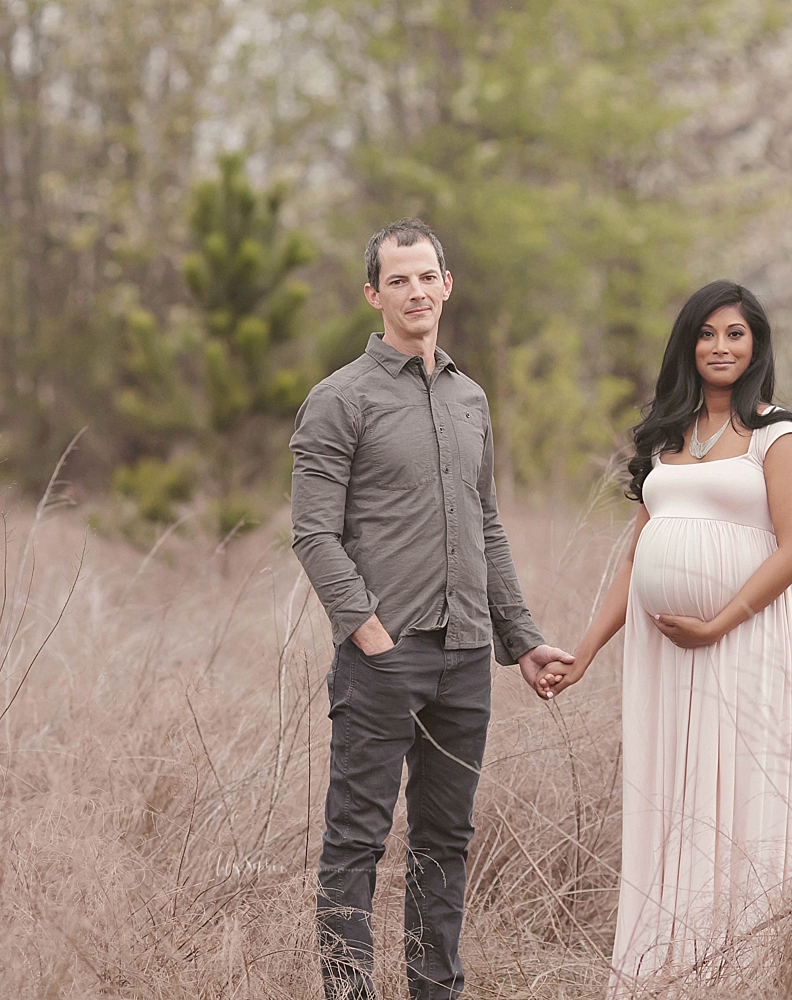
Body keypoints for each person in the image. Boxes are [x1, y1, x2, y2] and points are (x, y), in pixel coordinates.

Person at [290, 217, 575, 1000]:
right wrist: (369, 635)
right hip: (383, 661)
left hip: (464, 659)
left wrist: (521, 640)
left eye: (427, 277)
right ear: (373, 294)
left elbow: (485, 525)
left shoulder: (469, 398)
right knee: (356, 844)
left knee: (445, 843)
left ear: (447, 285)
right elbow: (313, 534)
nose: (415, 291)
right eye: (398, 279)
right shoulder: (339, 399)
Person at [538, 280, 792, 986]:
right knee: (670, 797)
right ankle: (658, 970)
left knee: (737, 796)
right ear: (687, 344)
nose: (721, 347)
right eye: (707, 333)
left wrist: (719, 623)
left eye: (736, 334)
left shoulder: (775, 433)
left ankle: (735, 973)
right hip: (660, 654)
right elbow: (637, 556)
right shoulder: (666, 438)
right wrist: (588, 651)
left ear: (756, 346)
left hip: (744, 641)